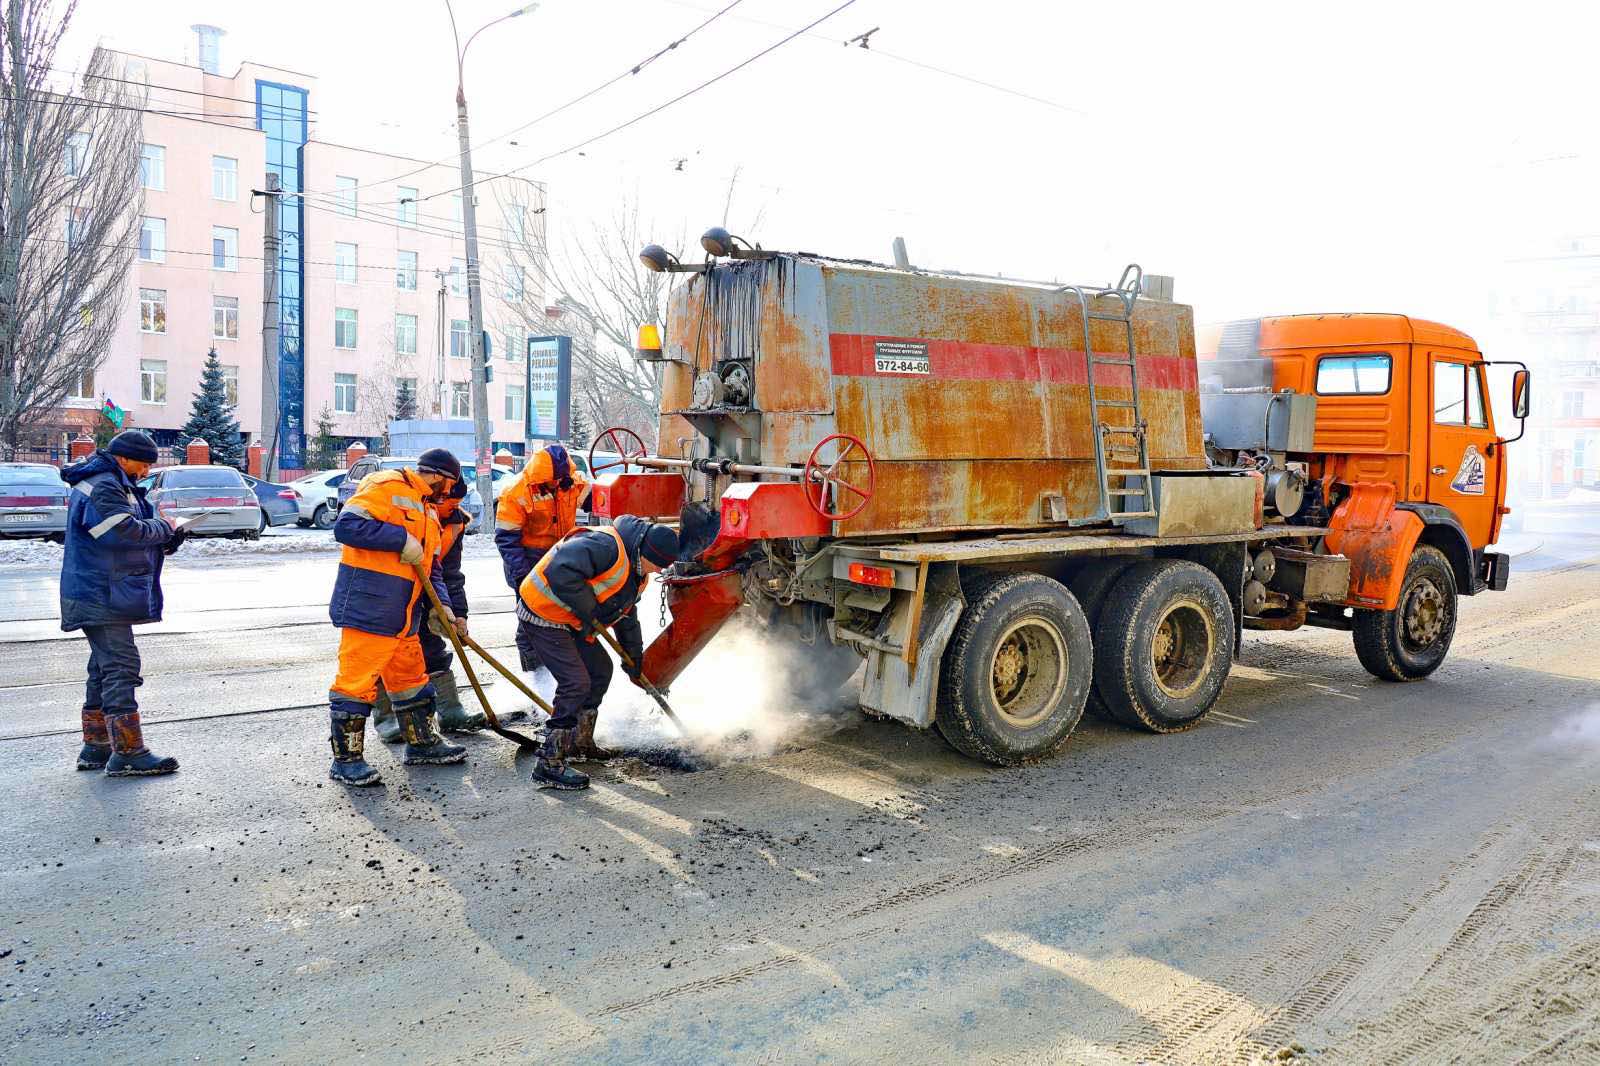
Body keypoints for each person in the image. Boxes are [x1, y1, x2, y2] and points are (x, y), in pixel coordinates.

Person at [325, 448, 469, 786]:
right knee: (356, 683)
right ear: (439, 476)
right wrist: (399, 538)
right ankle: (346, 761)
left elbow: (432, 571)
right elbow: (347, 526)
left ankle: (422, 744)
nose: (448, 494)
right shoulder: (385, 484)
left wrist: (442, 608)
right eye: (448, 486)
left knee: (411, 681)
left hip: (405, 615)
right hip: (369, 607)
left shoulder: (429, 514)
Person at [515, 515, 678, 790]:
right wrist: (590, 611)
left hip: (573, 619)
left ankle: (580, 741)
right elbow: (560, 572)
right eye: (657, 564)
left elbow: (625, 613)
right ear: (645, 552)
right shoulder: (605, 546)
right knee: (576, 682)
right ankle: (549, 762)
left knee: (601, 670)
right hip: (543, 614)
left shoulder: (638, 572)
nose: (657, 571)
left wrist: (634, 655)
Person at [59, 430, 184, 777]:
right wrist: (162, 528)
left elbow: (129, 532)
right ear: (124, 458)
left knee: (103, 667)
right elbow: (119, 532)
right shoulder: (105, 485)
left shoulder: (116, 483)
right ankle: (128, 751)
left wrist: (169, 538)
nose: (145, 472)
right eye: (143, 464)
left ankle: (97, 747)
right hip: (100, 591)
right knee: (121, 665)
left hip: (101, 589)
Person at [371, 475, 488, 741]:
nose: (453, 508)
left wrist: (458, 614)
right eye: (449, 501)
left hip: (431, 591)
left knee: (433, 648)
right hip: (393, 590)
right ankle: (387, 719)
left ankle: (451, 711)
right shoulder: (413, 513)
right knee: (386, 654)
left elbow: (451, 574)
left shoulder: (454, 524)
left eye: (457, 502)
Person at [495, 443, 588, 675]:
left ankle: (559, 672)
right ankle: (534, 674)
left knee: (561, 617)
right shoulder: (516, 492)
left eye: (561, 478)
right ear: (541, 476)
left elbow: (597, 500)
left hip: (559, 558)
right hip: (528, 560)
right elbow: (507, 540)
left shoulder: (572, 482)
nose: (558, 484)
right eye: (553, 479)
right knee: (530, 620)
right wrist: (525, 576)